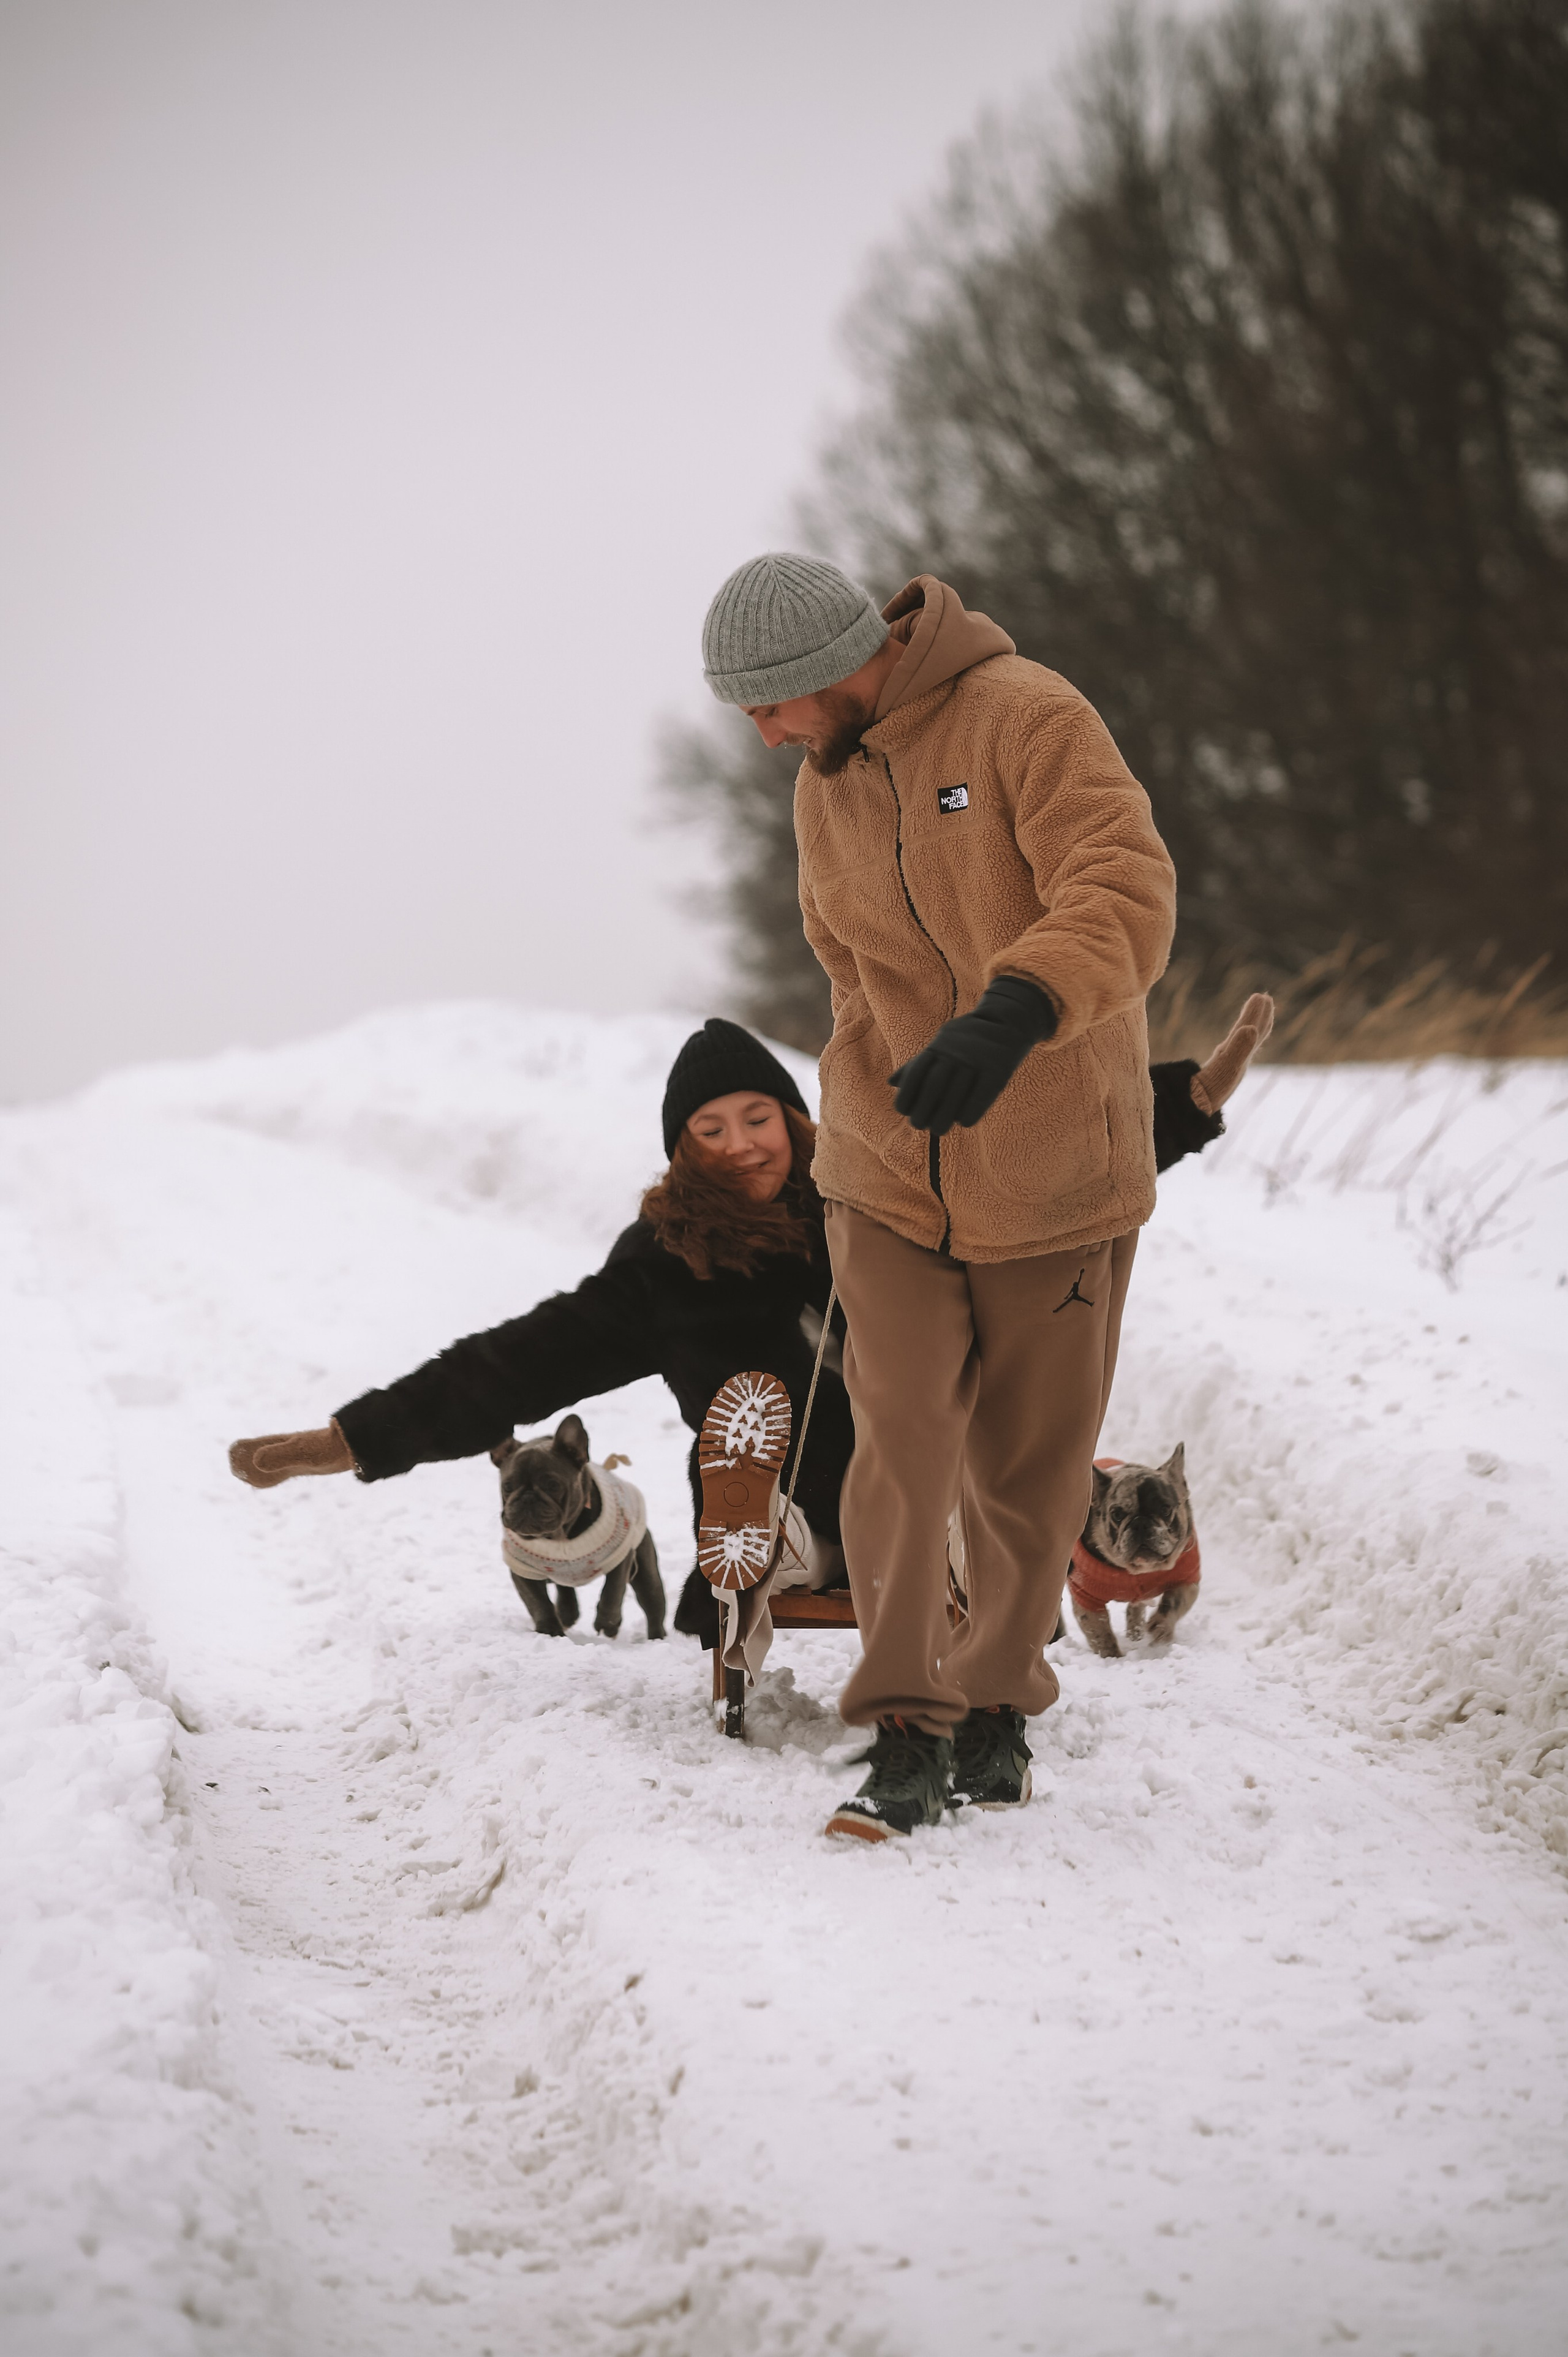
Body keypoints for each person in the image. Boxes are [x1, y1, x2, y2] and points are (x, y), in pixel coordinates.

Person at [228, 1008, 1272, 1645]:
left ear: (793, 1118)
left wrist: (1180, 1104)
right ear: (684, 1149)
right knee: (763, 1488)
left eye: (757, 1119)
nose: (739, 1146)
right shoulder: (667, 1263)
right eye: (710, 1132)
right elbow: (515, 1363)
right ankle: (749, 1543)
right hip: (789, 1509)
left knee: (943, 1501)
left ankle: (960, 1571)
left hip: (917, 1490)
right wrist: (355, 1438)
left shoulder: (881, 1193)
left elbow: (1025, 1169)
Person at [701, 552, 1182, 1841]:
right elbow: (844, 965)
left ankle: (996, 1715)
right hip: (886, 1171)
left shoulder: (1026, 714)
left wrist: (1015, 1009)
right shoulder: (821, 789)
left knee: (1025, 1471)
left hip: (1054, 1176)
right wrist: (867, 1082)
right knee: (901, 1443)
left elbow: (1125, 890)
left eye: (770, 703)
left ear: (831, 668)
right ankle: (904, 1730)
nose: (762, 732)